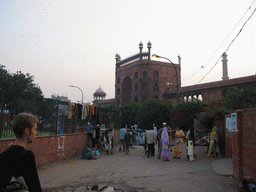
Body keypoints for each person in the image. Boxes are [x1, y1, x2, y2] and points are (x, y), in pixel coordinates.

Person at [0, 113, 42, 192]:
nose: (36, 133)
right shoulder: (26, 156)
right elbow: (35, 188)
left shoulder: (2, 156)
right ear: (27, 131)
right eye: (35, 129)